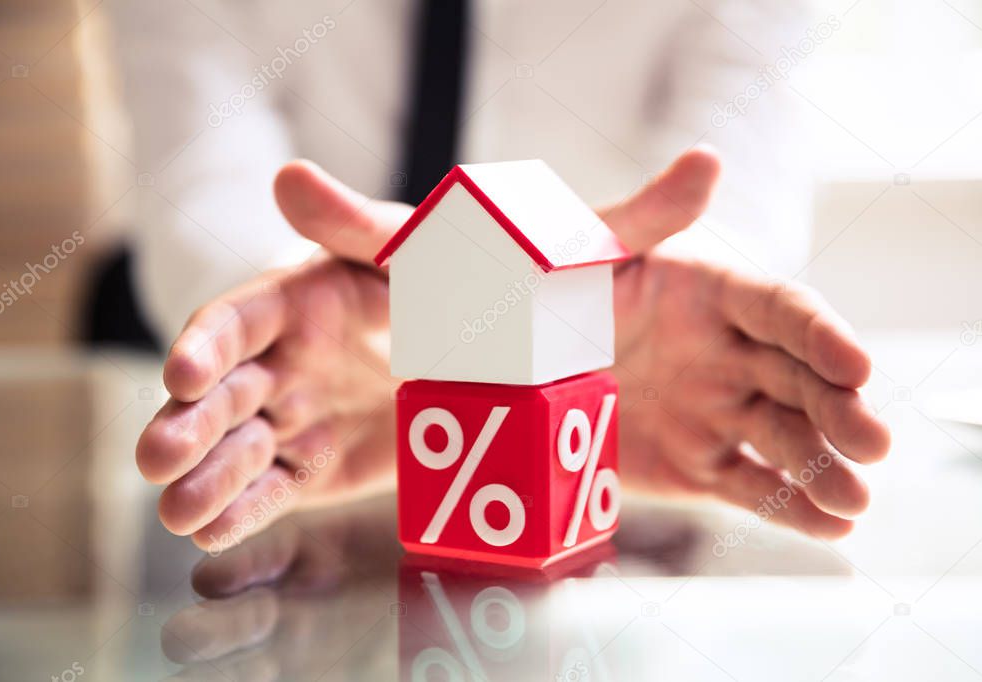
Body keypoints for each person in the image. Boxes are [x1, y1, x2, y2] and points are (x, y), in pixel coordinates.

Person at [111, 0, 890, 550]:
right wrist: (281, 296)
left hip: (625, 426)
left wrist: (685, 277)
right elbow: (199, 153)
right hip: (304, 423)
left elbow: (746, 140)